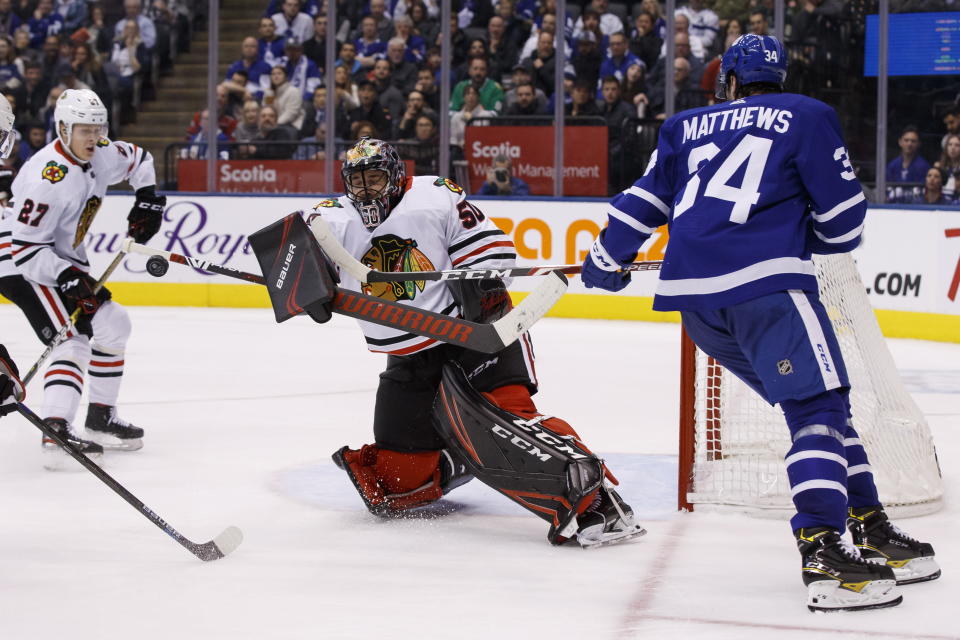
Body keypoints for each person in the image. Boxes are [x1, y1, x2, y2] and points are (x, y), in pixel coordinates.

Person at [580, 35, 939, 611]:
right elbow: (845, 223)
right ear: (780, 77)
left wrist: (606, 261)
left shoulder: (683, 125)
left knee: (821, 408)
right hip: (768, 292)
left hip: (698, 310)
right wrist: (804, 232)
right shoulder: (807, 115)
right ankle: (824, 552)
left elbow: (640, 203)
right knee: (818, 411)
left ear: (728, 81)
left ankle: (869, 524)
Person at [304, 137, 643, 547]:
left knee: (506, 422)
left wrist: (479, 283)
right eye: (356, 182)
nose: (365, 190)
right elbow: (296, 264)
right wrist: (304, 287)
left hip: (474, 336)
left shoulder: (435, 196)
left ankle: (601, 505)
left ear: (395, 177)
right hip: (408, 359)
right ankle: (458, 459)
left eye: (374, 178)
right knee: (395, 483)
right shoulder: (329, 219)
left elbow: (492, 252)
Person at [0, 89, 165, 464]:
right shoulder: (47, 179)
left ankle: (100, 417)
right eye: (83, 130)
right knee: (71, 339)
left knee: (114, 324)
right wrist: (68, 277)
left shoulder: (101, 151)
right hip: (24, 268)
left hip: (61, 263)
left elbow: (140, 159)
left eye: (97, 128)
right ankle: (56, 428)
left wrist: (148, 197)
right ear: (63, 129)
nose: (92, 137)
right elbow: (24, 250)